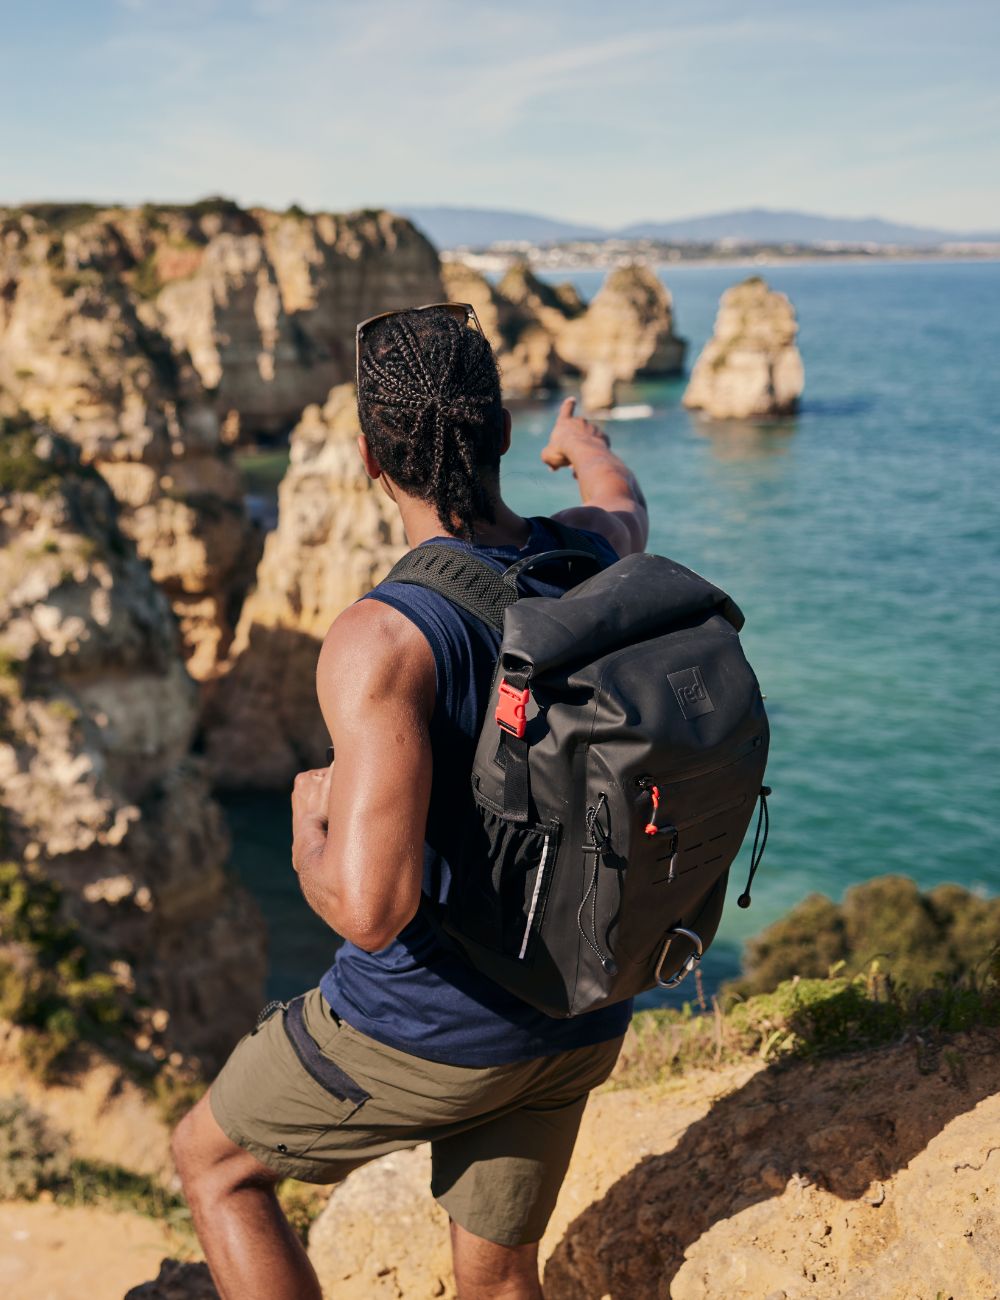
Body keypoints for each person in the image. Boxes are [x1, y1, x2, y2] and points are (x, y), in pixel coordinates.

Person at [172, 304, 649, 1300]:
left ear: (363, 457)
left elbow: (372, 910)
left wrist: (311, 836)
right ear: (506, 435)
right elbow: (621, 500)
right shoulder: (594, 558)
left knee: (213, 1163)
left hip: (433, 1027)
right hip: (577, 1010)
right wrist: (585, 447)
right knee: (498, 1274)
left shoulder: (384, 639)